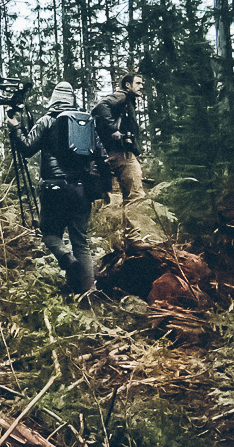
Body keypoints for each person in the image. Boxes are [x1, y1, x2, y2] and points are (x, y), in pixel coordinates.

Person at [12, 82, 107, 295]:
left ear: (53, 99)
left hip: (53, 188)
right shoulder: (86, 123)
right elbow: (101, 156)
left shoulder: (47, 120)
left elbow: (27, 148)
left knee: (50, 234)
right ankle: (88, 291)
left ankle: (66, 258)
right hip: (81, 190)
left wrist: (15, 127)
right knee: (81, 242)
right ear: (71, 99)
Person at [93, 72, 146, 206]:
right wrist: (113, 129)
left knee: (123, 198)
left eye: (142, 83)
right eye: (138, 83)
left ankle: (126, 227)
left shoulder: (126, 100)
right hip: (123, 153)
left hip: (117, 152)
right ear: (128, 85)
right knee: (136, 198)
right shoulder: (122, 96)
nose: (141, 86)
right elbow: (101, 106)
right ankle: (136, 227)